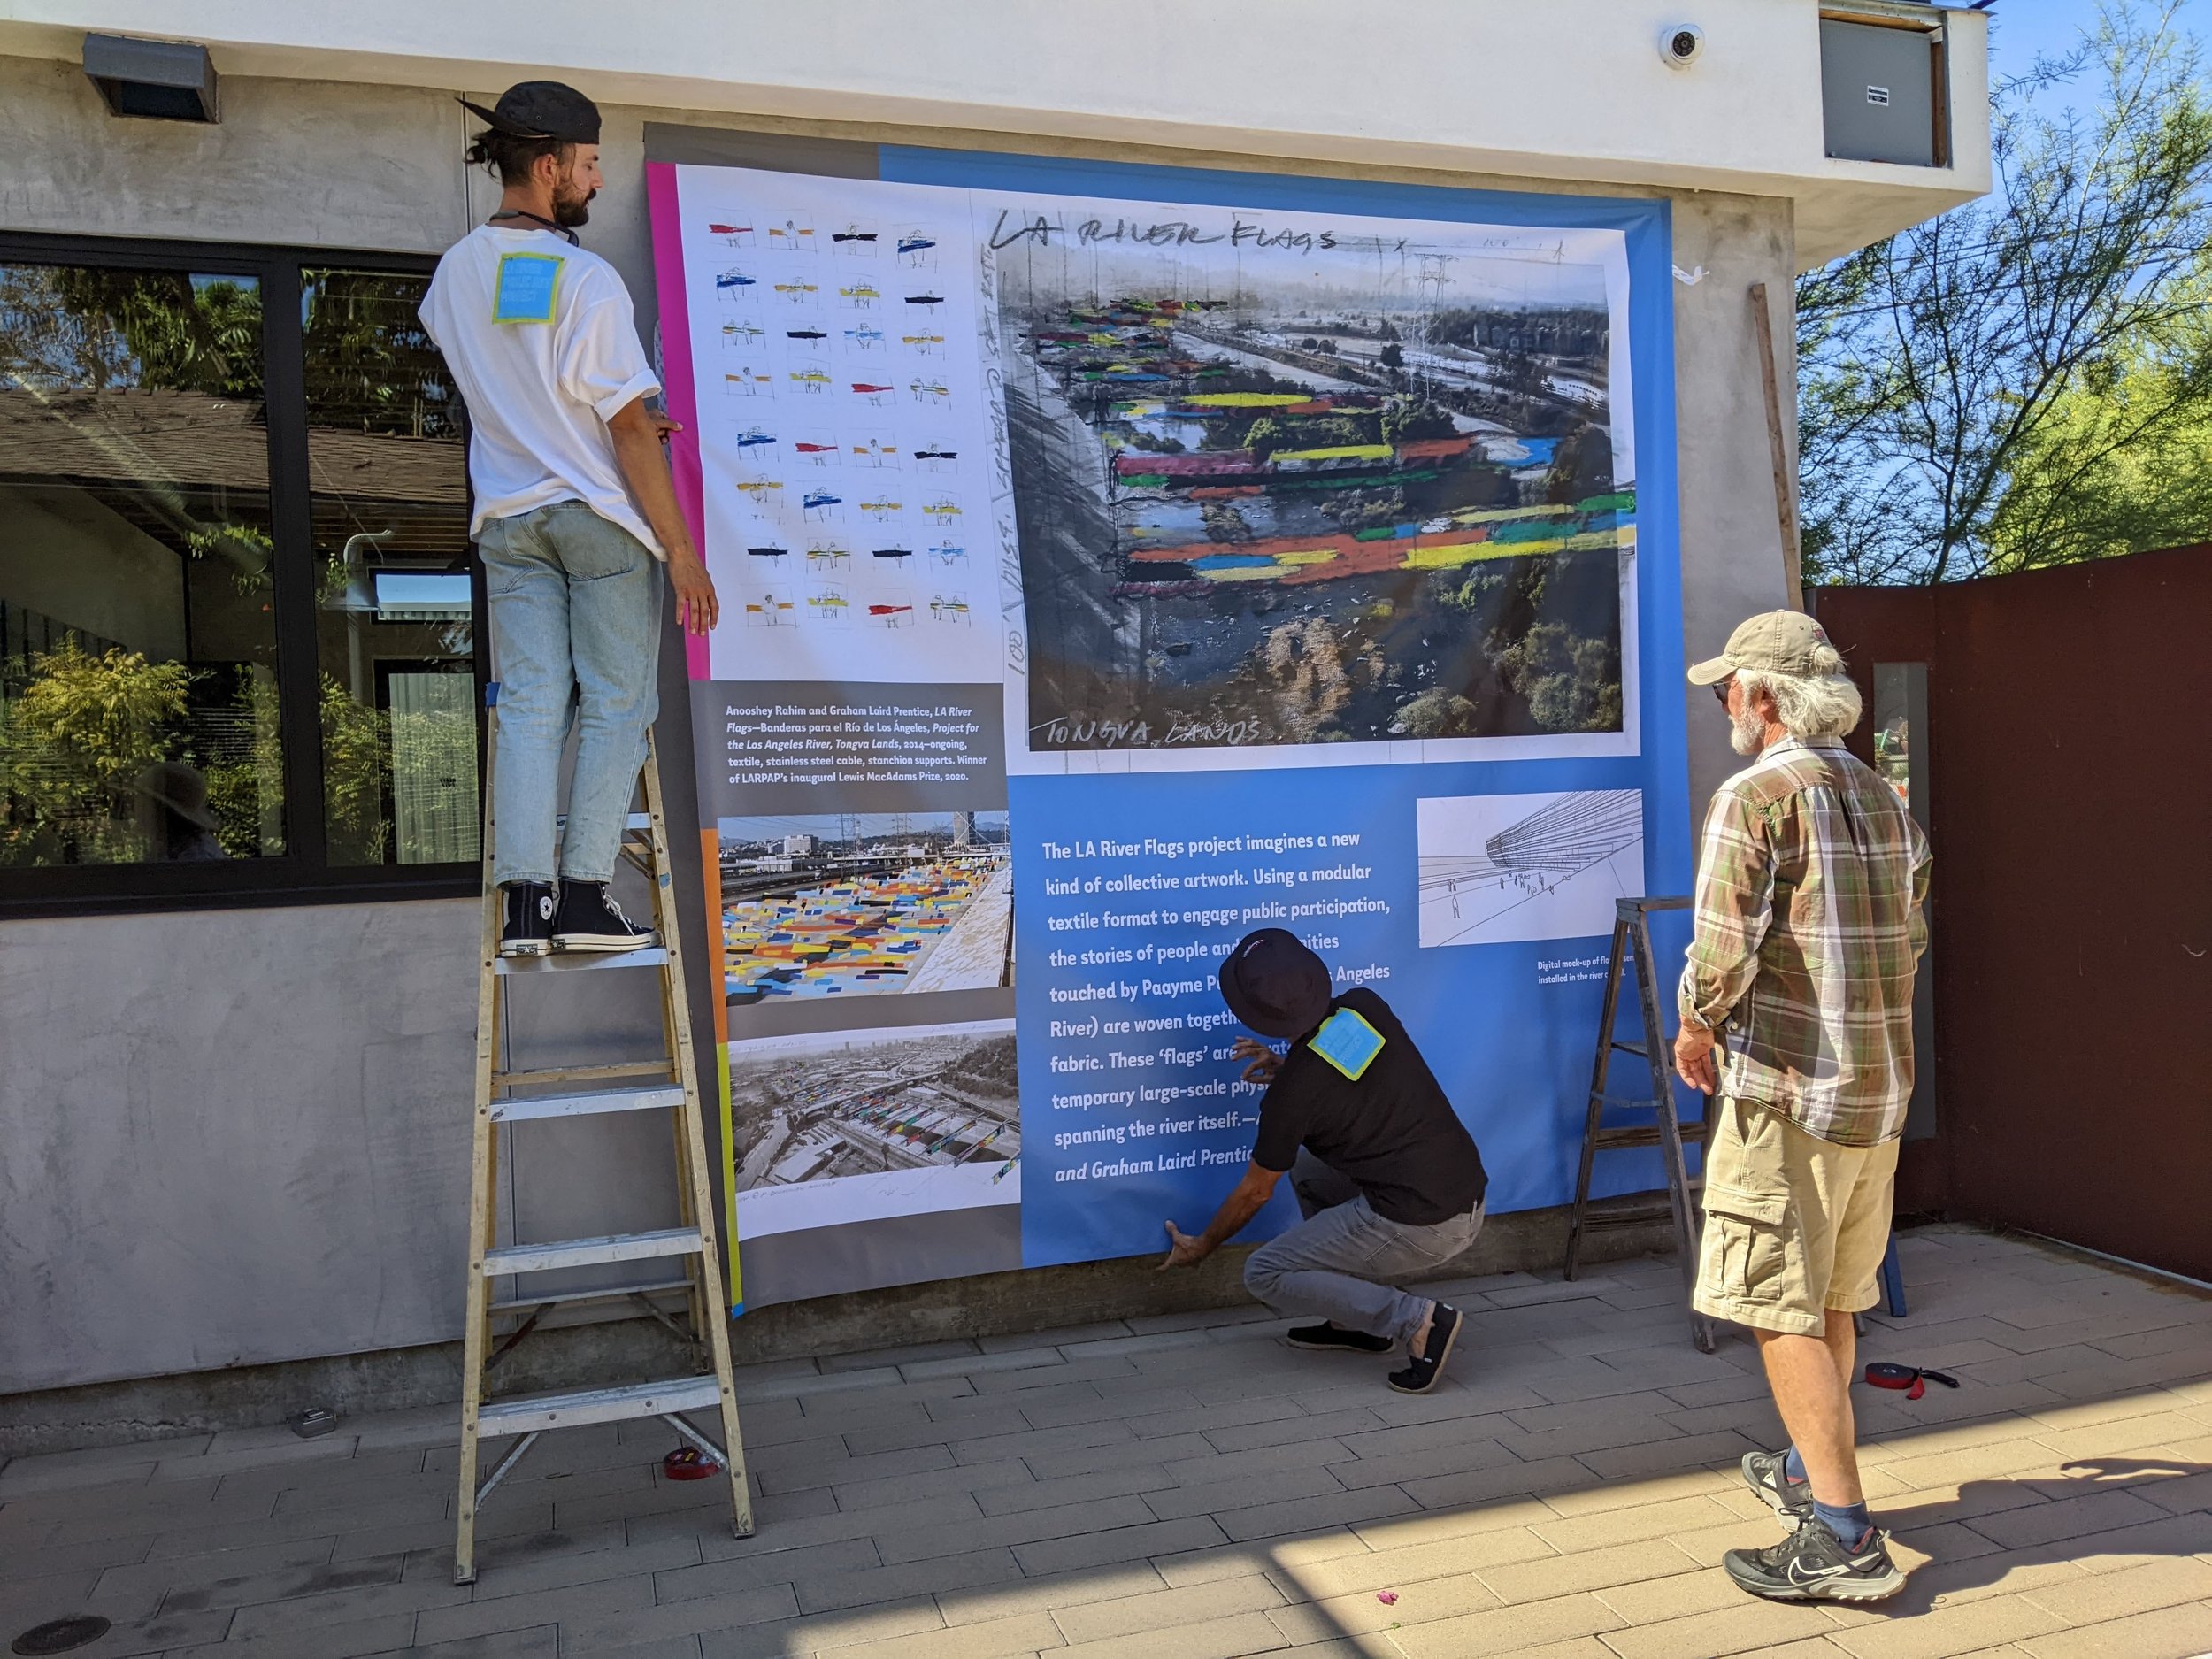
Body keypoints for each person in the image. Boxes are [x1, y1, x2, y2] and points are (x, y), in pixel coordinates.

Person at [421, 81, 718, 957]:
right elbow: (624, 428)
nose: (595, 181)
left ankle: (523, 905)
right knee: (618, 700)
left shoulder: (454, 277)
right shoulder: (585, 279)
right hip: (595, 521)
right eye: (588, 166)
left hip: (510, 521)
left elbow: (517, 386)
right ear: (547, 165)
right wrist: (681, 549)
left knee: (530, 706)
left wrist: (589, 423)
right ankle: (585, 894)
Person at [1673, 611, 1932, 1604]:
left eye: (1725, 689)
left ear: (1764, 698)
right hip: (1876, 1089)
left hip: (1787, 1087)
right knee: (1827, 1299)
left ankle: (1842, 1537)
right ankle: (1804, 1470)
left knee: (1774, 1304)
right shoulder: (1881, 795)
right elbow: (1909, 942)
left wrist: (1695, 1028)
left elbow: (1722, 944)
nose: (1721, 705)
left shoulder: (1753, 794)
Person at [1159, 928, 1488, 1395]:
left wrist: (1203, 1245)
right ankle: (1356, 1322)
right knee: (1309, 1168)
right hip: (1462, 1193)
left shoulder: (1293, 1095)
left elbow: (1256, 1191)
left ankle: (1417, 1320)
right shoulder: (1362, 1006)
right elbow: (1345, 1072)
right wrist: (1289, 1068)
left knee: (1265, 1272)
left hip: (1427, 1223)